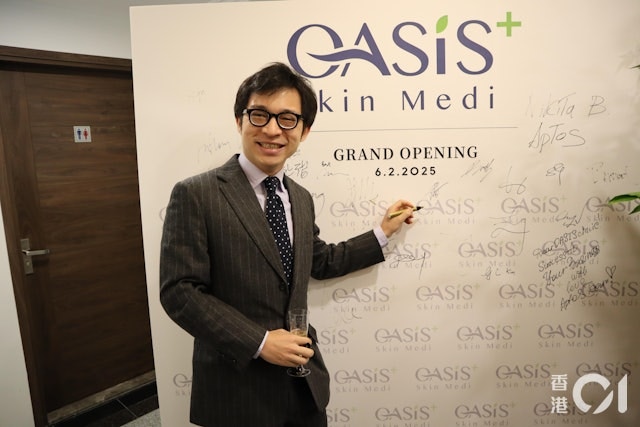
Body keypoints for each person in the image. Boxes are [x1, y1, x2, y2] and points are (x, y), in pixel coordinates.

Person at [159, 62, 416, 427]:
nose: (272, 130)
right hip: (236, 392)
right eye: (259, 115)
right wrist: (261, 341)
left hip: (303, 388)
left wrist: (382, 231)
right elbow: (180, 292)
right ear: (239, 121)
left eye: (287, 119)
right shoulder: (196, 193)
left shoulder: (301, 197)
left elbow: (319, 260)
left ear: (304, 130)